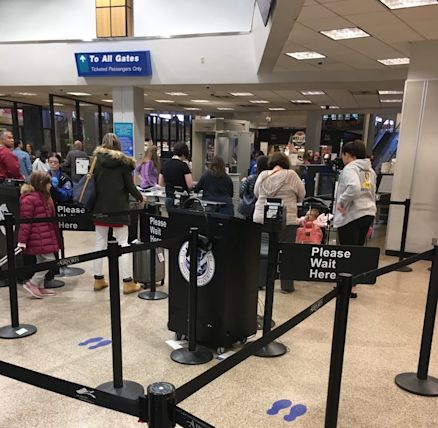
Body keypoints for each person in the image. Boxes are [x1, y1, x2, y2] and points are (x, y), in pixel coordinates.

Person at [92, 133, 144, 295]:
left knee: (99, 243)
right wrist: (140, 197)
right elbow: (129, 186)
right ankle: (127, 282)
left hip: (100, 207)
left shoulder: (96, 161)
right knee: (123, 243)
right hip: (119, 209)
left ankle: (98, 279)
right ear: (118, 146)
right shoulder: (123, 163)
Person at [253, 152, 305, 293]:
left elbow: (256, 193)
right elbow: (302, 194)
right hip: (286, 219)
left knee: (263, 251)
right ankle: (286, 286)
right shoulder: (292, 175)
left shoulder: (263, 175)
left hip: (263, 218)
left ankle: (260, 281)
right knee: (287, 252)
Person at [334, 140, 376, 298]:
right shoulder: (369, 170)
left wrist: (342, 201)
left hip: (352, 215)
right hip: (368, 213)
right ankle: (353, 284)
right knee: (356, 251)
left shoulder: (350, 168)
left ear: (349, 155)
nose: (343, 158)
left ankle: (346, 286)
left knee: (347, 252)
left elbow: (354, 187)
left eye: (343, 155)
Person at [17, 171, 62, 298]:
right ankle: (33, 283)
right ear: (42, 184)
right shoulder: (30, 199)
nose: (50, 186)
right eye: (48, 183)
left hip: (44, 236)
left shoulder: (44, 196)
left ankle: (39, 287)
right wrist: (22, 241)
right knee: (50, 261)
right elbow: (25, 223)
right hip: (38, 237)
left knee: (42, 261)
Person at [159, 142, 193, 210]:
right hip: (182, 199)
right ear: (184, 154)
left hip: (169, 197)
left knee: (171, 218)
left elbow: (161, 183)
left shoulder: (165, 164)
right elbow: (190, 185)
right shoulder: (184, 166)